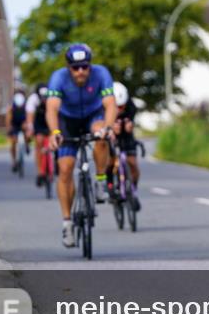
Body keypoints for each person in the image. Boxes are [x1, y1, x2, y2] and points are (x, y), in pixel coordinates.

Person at [46, 44, 117, 248]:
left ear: (90, 65)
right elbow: (51, 108)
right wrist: (55, 132)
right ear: (68, 67)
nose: (80, 72)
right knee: (66, 169)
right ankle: (67, 223)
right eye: (75, 67)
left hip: (93, 116)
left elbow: (110, 103)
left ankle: (101, 181)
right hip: (67, 121)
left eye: (85, 67)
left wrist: (109, 127)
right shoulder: (58, 78)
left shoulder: (101, 73)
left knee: (101, 134)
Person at [111, 81, 141, 209]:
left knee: (133, 163)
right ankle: (111, 187)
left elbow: (131, 122)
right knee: (109, 162)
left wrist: (130, 125)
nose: (120, 110)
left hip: (126, 135)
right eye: (117, 107)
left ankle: (133, 190)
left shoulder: (131, 106)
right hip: (111, 135)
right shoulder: (103, 107)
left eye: (122, 107)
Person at [25, 82, 51, 186]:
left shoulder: (52, 97)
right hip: (39, 122)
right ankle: (40, 172)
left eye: (46, 98)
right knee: (39, 142)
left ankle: (57, 161)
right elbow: (30, 115)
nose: (44, 100)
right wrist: (30, 129)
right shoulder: (33, 99)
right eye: (43, 98)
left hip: (50, 121)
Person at [5, 88, 29, 172]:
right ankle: (14, 161)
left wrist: (26, 123)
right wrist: (9, 127)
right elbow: (8, 118)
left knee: (27, 134)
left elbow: (29, 115)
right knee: (13, 142)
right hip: (14, 124)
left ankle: (26, 144)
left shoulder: (26, 105)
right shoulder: (11, 107)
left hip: (23, 123)